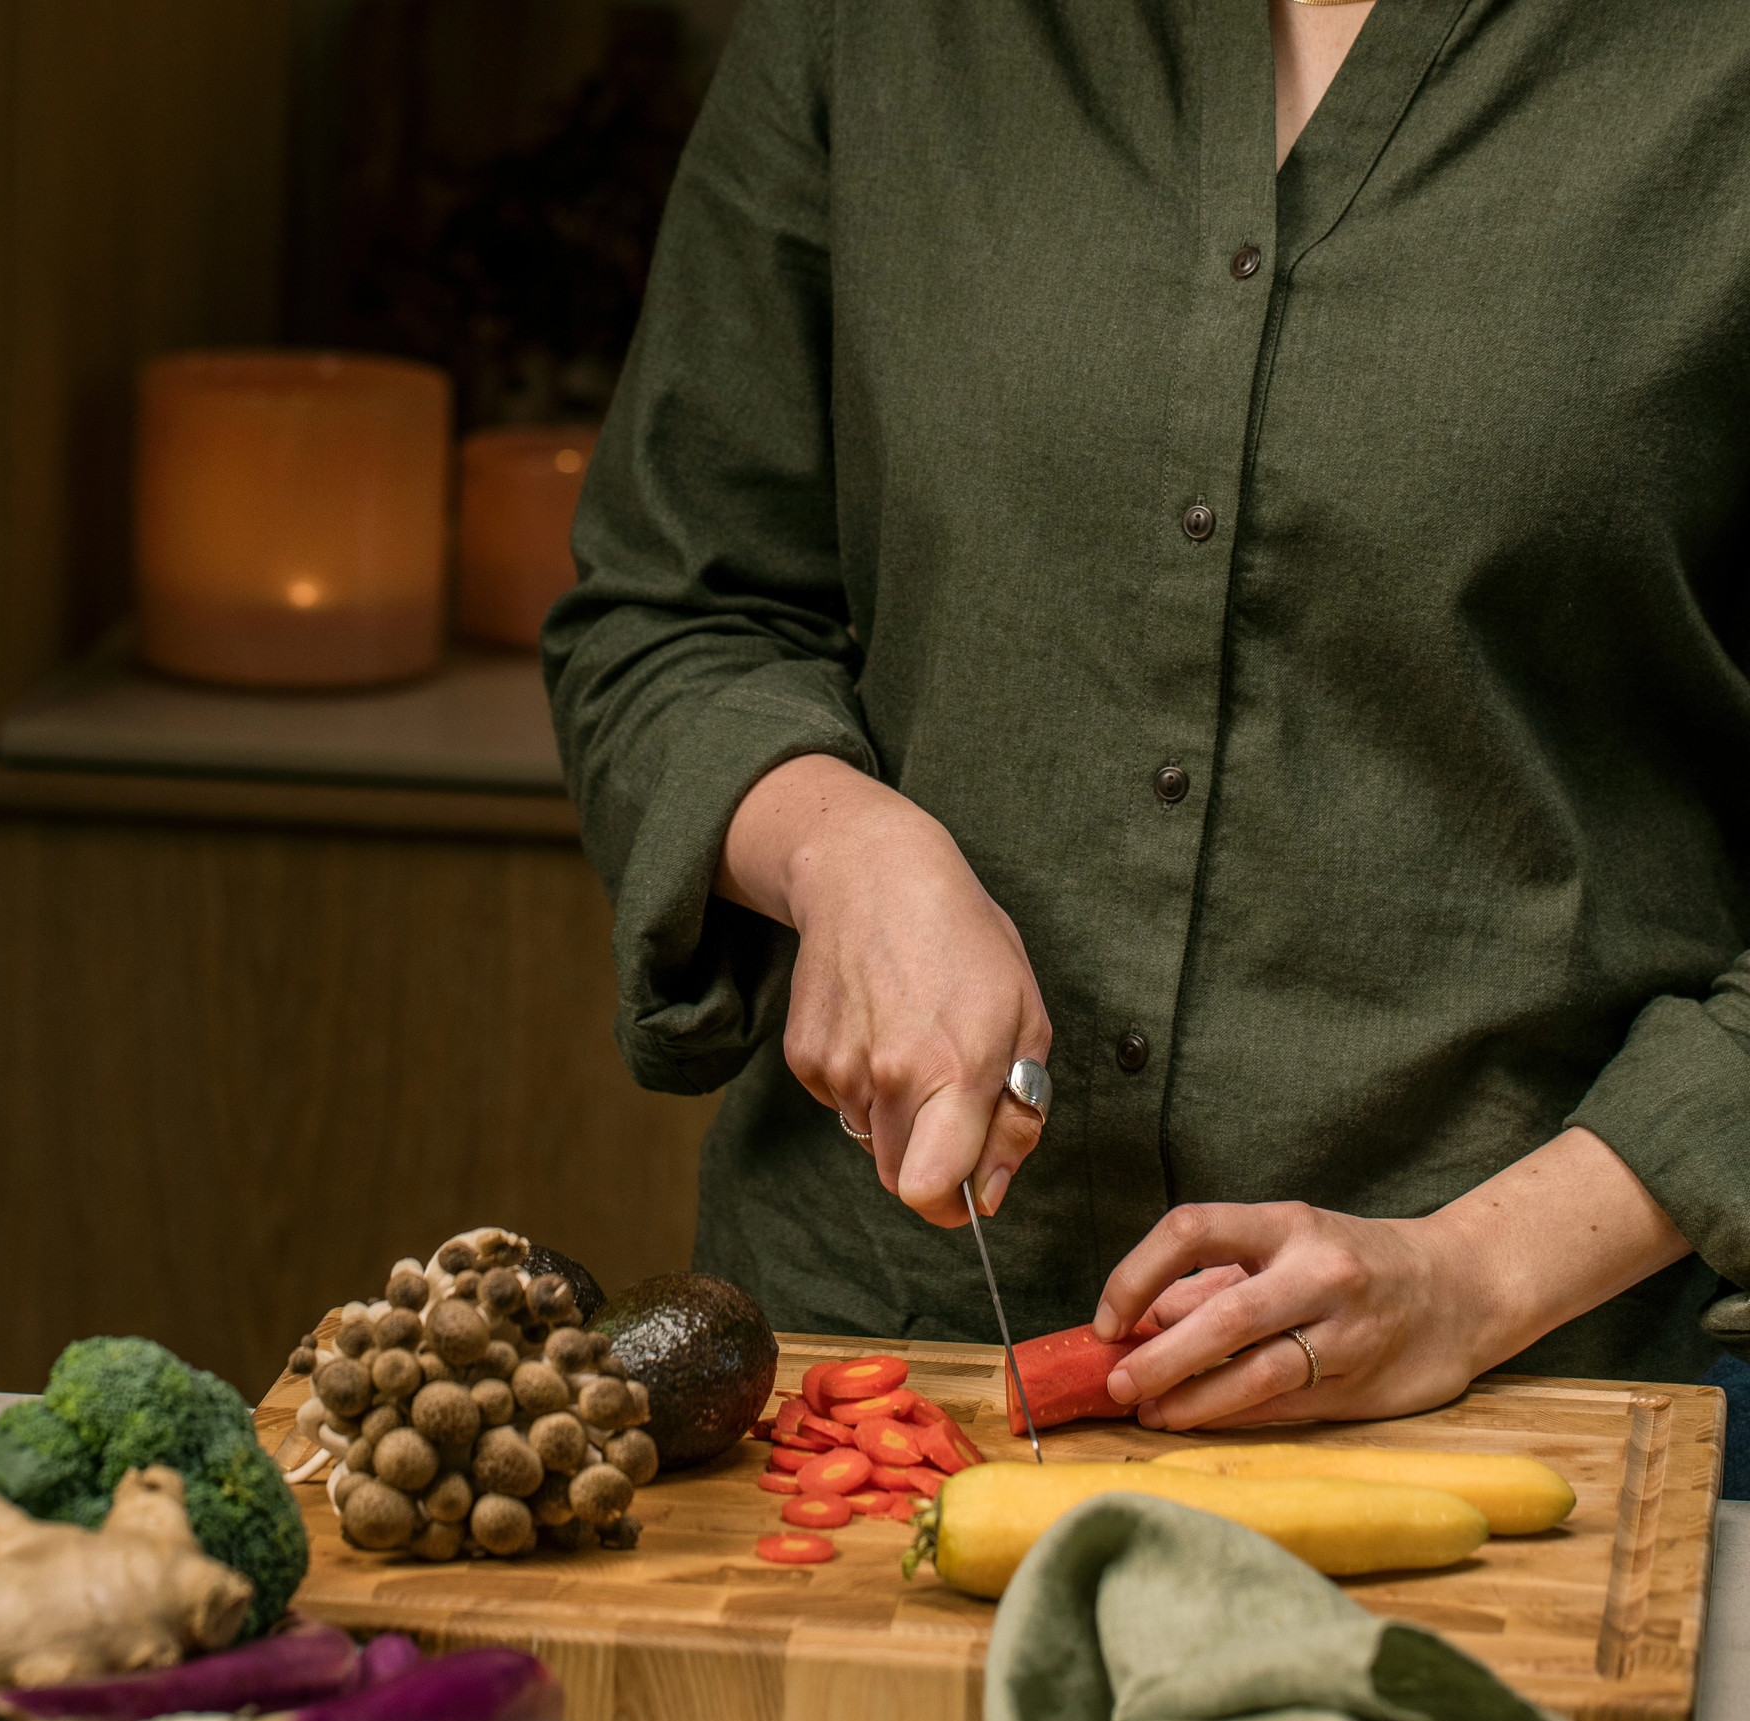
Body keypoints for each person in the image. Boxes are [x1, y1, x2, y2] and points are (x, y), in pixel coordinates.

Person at [544, 0, 1750, 1431]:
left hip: (1535, 1407)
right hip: (885, 1381)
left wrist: (1472, 1277)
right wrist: (844, 852)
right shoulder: (875, 33)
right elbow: (673, 605)